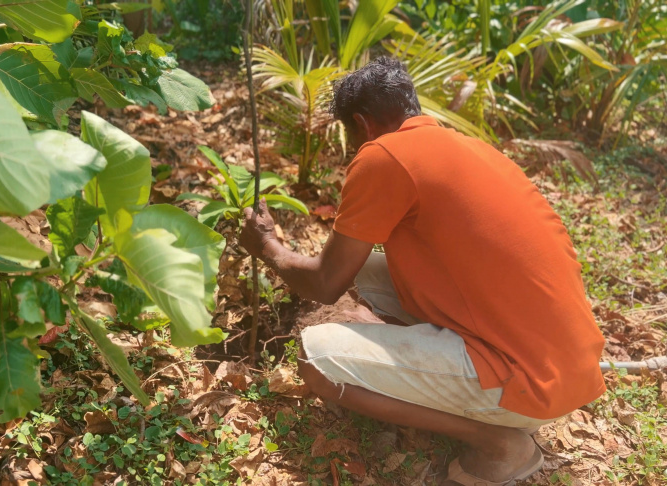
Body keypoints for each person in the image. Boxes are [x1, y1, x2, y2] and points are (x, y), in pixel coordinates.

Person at [239, 57, 605, 486]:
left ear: (362, 123)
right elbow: (347, 271)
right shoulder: (466, 146)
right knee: (365, 275)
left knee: (316, 359)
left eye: (351, 134)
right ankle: (453, 382)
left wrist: (266, 246)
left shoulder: (383, 154)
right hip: (567, 369)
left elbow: (325, 283)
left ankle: (498, 442)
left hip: (527, 387)